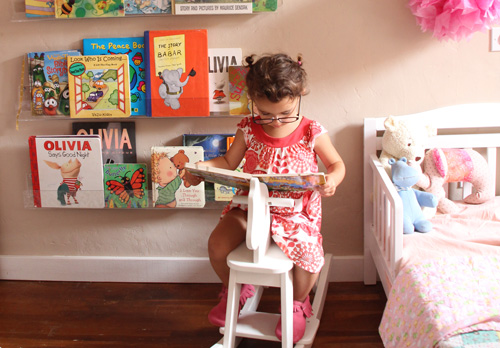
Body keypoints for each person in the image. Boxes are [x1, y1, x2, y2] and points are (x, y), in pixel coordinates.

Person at [185, 53, 345, 343]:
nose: (274, 121)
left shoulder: (311, 130)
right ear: (252, 100)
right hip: (250, 208)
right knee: (217, 244)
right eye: (266, 113)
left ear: (300, 96)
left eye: (284, 114)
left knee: (310, 258)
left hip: (294, 213)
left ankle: (296, 304)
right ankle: (237, 289)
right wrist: (202, 168)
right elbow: (227, 161)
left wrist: (331, 180)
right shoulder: (248, 127)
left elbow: (337, 165)